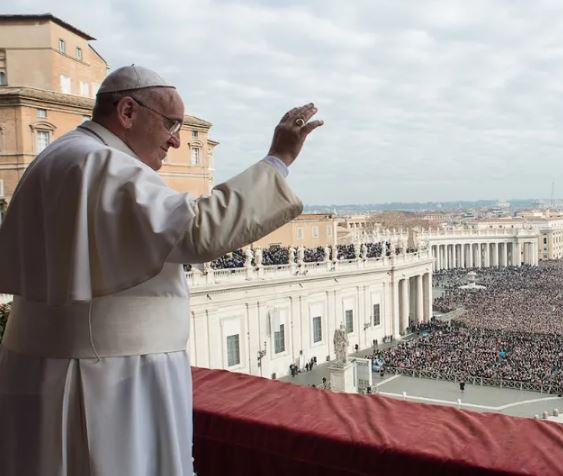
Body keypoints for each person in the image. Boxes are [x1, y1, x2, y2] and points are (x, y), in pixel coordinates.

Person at [0, 65, 323, 476]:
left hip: (51, 369)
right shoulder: (100, 162)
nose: (174, 139)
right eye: (171, 124)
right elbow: (198, 230)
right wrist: (278, 159)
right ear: (128, 111)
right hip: (110, 380)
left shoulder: (59, 156)